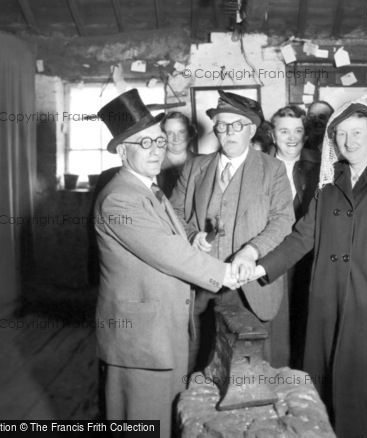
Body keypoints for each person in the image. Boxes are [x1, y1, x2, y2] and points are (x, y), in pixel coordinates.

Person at [254, 96, 367, 437]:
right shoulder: (328, 182)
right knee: (331, 391)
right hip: (329, 302)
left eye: (358, 133)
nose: (350, 141)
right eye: (342, 134)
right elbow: (302, 237)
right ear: (332, 139)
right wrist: (260, 268)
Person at [93, 89, 239, 436]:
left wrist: (194, 240)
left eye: (159, 141)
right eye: (144, 144)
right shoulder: (120, 198)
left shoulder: (148, 190)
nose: (157, 149)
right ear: (123, 151)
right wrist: (227, 273)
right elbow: (166, 252)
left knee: (164, 421)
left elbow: (171, 243)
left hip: (161, 331)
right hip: (140, 340)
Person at [170, 90, 295, 371]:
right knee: (198, 362)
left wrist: (251, 251)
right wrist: (192, 235)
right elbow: (173, 213)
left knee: (251, 368)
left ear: (251, 130)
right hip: (202, 281)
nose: (229, 132)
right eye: (222, 125)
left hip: (251, 287)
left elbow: (282, 220)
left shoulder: (272, 169)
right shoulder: (195, 167)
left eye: (237, 125)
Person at [269, 105, 321, 368]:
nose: (292, 137)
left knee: (307, 319)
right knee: (276, 321)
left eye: (298, 130)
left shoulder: (322, 164)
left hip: (309, 255)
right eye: (284, 131)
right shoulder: (259, 165)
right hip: (273, 254)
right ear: (272, 134)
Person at [157, 112, 196, 198]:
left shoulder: (206, 162)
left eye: (181, 132)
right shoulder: (154, 166)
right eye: (170, 133)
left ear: (190, 134)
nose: (176, 138)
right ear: (163, 137)